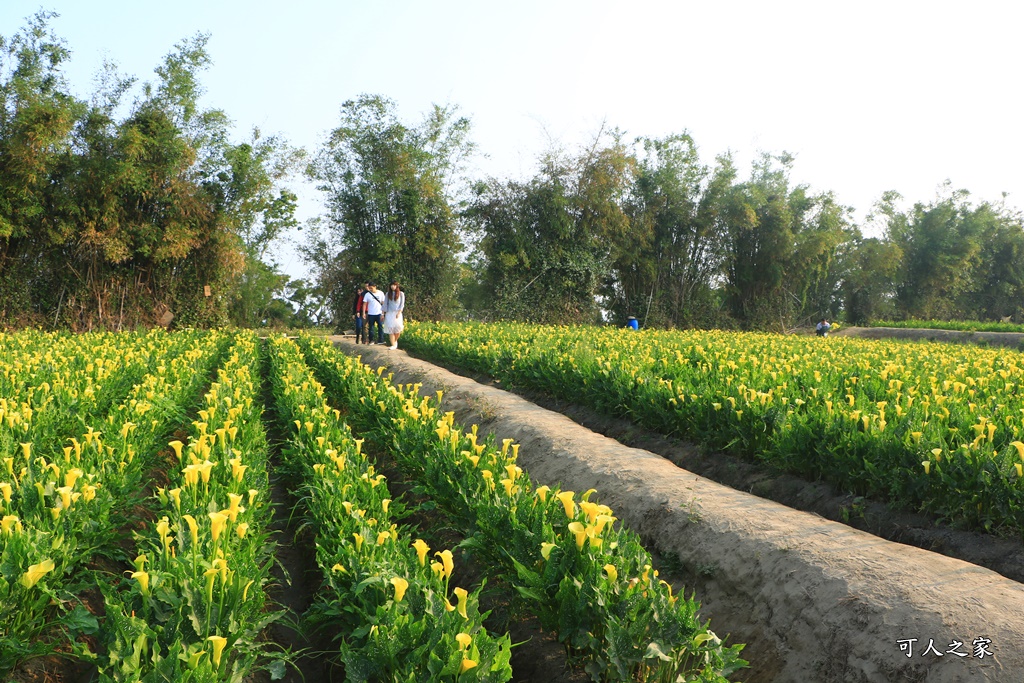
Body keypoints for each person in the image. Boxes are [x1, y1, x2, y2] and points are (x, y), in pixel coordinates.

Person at [382, 281, 406, 350]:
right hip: (389, 313)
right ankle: (393, 344)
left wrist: (399, 312)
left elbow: (402, 304)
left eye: (394, 285)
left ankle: (395, 341)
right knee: (390, 329)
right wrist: (383, 314)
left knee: (398, 328)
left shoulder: (401, 294)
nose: (393, 286)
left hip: (397, 313)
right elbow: (385, 304)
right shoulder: (387, 294)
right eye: (391, 285)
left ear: (397, 286)